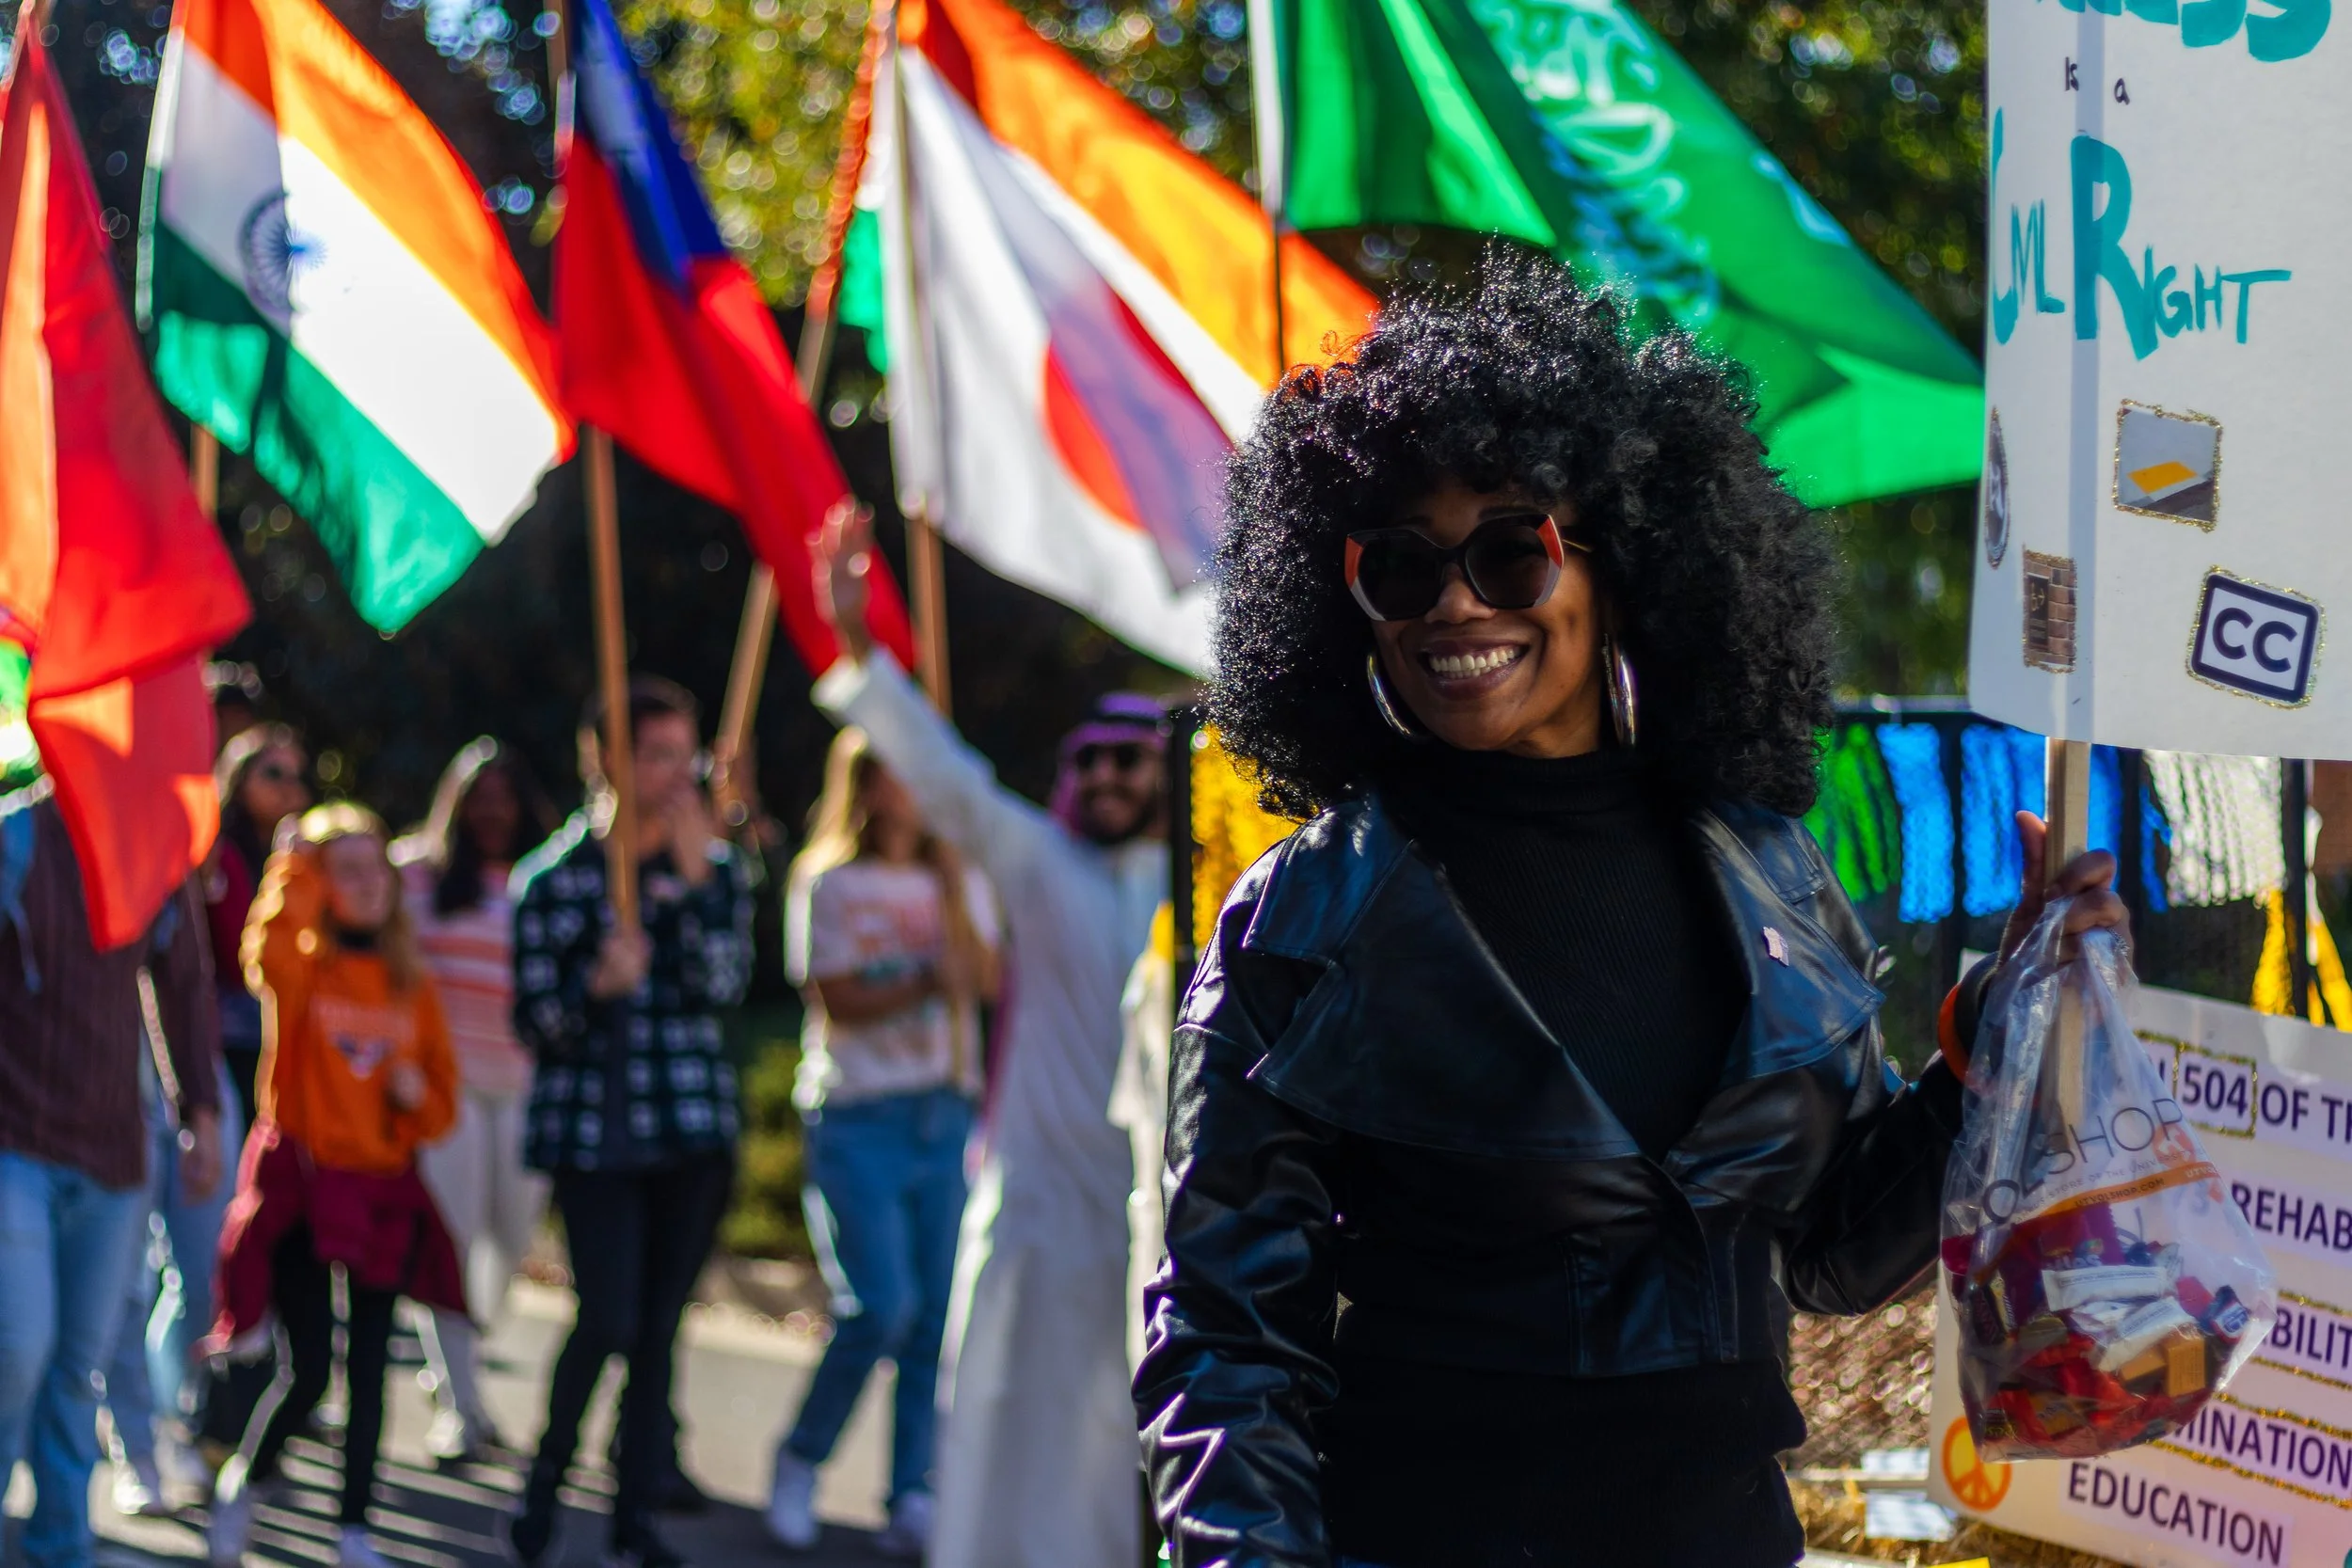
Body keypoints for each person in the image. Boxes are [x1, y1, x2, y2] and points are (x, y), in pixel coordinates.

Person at [1133, 254, 2135, 1568]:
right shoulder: (1303, 918)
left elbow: (1831, 1250)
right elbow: (1222, 1341)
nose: (1454, 604)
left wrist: (1995, 1045)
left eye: (1510, 551)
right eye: (1399, 567)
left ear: (1628, 567)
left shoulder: (1771, 869)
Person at [806, 509, 1169, 1568]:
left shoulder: (1193, 887)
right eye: (1089, 761)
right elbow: (947, 776)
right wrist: (858, 643)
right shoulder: (1034, 860)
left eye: (1129, 762)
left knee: (1129, 1430)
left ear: (1159, 779)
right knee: (1010, 1415)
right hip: (1033, 1200)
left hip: (1151, 1211)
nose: (1106, 778)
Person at [508, 678, 755, 1568]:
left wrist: (694, 887)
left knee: (658, 1329)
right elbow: (534, 1019)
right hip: (593, 1136)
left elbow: (727, 986)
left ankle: (634, 1517)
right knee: (606, 1317)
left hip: (689, 1135)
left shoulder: (715, 869)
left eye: (682, 754)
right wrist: (593, 987)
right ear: (604, 760)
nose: (673, 774)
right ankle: (542, 1491)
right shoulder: (552, 878)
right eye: (653, 754)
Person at [205, 804, 464, 1568]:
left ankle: (355, 1527)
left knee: (374, 1373)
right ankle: (244, 1478)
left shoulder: (410, 982)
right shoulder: (301, 966)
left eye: (374, 866)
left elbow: (442, 1099)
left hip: (382, 1192)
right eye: (343, 869)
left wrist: (419, 1101)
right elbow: (265, 950)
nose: (367, 884)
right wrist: (292, 866)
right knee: (312, 1370)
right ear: (318, 880)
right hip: (306, 1190)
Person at [764, 729, 1001, 1558]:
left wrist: (953, 900)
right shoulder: (827, 880)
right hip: (858, 1115)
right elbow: (834, 997)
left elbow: (990, 981)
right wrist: (916, 981)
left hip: (943, 1113)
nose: (911, 791)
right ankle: (799, 1456)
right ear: (862, 787)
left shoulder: (956, 873)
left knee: (935, 1320)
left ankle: (911, 1490)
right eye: (894, 775)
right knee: (882, 1306)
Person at [0, 792, 221, 1568]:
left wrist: (204, 1111)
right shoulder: (14, 837)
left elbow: (187, 984)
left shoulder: (155, 852)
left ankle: (61, 1543)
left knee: (76, 1366)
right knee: (16, 1348)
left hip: (115, 1156)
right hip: (13, 1143)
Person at [392, 738, 556, 1464]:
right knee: (450, 1243)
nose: (493, 811)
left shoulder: (542, 882)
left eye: (505, 796)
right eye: (478, 797)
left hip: (523, 1088)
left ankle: (456, 1357)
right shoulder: (417, 878)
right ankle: (463, 1406)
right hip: (444, 1090)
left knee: (510, 1241)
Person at [103, 1044, 243, 1515]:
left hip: (199, 1064)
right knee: (121, 1286)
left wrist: (199, 1107)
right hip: (107, 1065)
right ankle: (136, 1449)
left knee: (208, 1278)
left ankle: (174, 1423)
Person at [207, 726, 311, 1125]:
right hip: (227, 1040)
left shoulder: (305, 857)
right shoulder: (217, 850)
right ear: (240, 776)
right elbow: (239, 958)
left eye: (296, 777)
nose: (287, 787)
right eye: (273, 774)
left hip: (285, 1035)